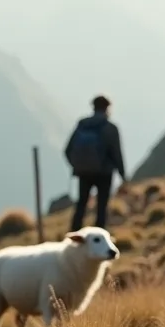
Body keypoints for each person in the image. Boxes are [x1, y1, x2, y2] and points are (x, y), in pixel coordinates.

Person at [64, 95, 128, 231]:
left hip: (84, 172)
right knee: (101, 207)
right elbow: (117, 153)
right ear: (107, 108)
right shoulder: (110, 128)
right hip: (104, 173)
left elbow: (68, 150)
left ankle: (73, 236)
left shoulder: (82, 124)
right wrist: (123, 176)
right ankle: (100, 237)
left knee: (81, 204)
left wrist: (77, 165)